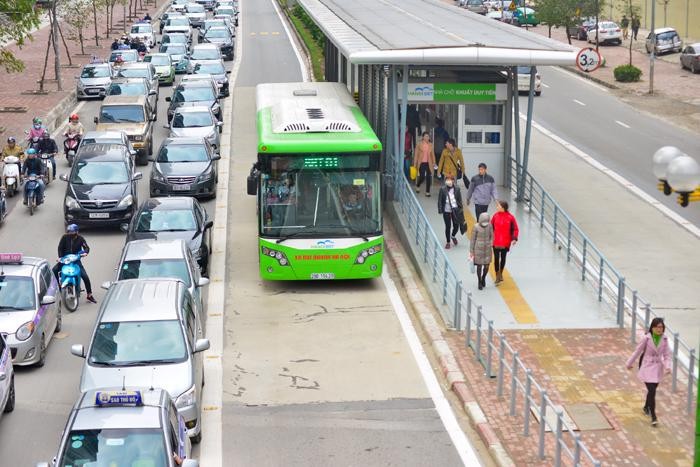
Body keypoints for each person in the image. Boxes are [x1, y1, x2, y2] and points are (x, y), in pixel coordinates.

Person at [626, 317, 671, 426]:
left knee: (652, 390)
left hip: (657, 368)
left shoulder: (664, 339)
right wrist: (629, 363)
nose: (659, 329)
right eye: (657, 327)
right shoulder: (647, 338)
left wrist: (668, 366)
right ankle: (654, 416)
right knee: (652, 391)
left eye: (661, 327)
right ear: (652, 327)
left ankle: (646, 407)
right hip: (647, 366)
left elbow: (667, 355)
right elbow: (637, 351)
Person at [52, 224, 97, 304]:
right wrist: (60, 258)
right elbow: (60, 248)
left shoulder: (80, 239)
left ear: (76, 232)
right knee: (54, 270)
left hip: (75, 260)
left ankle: (89, 295)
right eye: (69, 232)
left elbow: (86, 247)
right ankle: (59, 287)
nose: (70, 234)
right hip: (65, 260)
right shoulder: (64, 238)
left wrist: (85, 253)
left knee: (85, 276)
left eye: (72, 232)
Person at [490, 200, 518, 285]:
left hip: (505, 242)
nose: (497, 207)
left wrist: (514, 238)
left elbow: (515, 229)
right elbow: (491, 228)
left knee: (503, 258)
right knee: (496, 259)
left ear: (503, 208)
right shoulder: (495, 216)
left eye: (498, 206)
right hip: (496, 242)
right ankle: (497, 276)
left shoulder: (510, 217)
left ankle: (500, 272)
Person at [437, 175, 464, 249]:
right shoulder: (442, 189)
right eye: (447, 179)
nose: (448, 181)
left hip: (455, 210)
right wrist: (440, 209)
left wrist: (461, 209)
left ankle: (453, 236)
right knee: (448, 226)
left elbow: (459, 200)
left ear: (453, 180)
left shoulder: (457, 189)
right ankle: (448, 242)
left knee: (456, 226)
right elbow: (440, 200)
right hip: (446, 210)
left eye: (450, 179)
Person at [470, 212, 493, 290]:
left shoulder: (489, 226)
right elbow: (472, 239)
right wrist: (471, 251)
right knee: (479, 266)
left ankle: (483, 277)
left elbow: (492, 236)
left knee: (487, 266)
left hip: (487, 249)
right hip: (478, 249)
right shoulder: (475, 227)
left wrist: (491, 244)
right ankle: (479, 281)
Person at [413, 131, 436, 197]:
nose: (427, 137)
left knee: (428, 177)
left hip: (429, 162)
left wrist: (434, 162)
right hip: (421, 162)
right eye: (426, 136)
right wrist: (415, 164)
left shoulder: (431, 144)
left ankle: (427, 192)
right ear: (423, 137)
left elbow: (432, 154)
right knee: (422, 176)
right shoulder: (419, 144)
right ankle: (418, 185)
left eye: (428, 136)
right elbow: (416, 155)